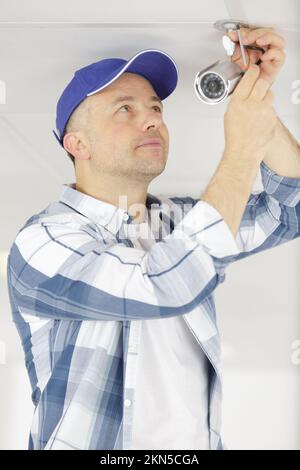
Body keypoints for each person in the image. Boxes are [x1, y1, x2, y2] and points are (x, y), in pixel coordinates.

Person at [6, 27, 300, 450]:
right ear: (78, 145)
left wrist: (256, 103)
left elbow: (289, 210)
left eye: (156, 107)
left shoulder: (177, 224)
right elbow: (165, 284)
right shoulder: (44, 242)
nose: (152, 118)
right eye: (124, 109)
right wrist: (240, 151)